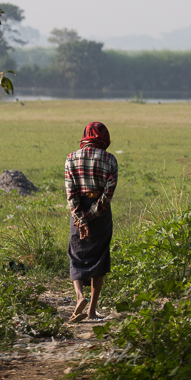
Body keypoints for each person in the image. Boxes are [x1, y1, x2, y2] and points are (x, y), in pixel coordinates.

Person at [65, 121, 118, 322]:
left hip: (77, 212)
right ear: (104, 138)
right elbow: (107, 195)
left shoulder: (70, 158)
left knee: (76, 254)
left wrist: (80, 219)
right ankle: (92, 311)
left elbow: (71, 193)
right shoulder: (110, 160)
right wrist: (91, 216)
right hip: (101, 214)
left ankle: (80, 297)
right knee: (100, 257)